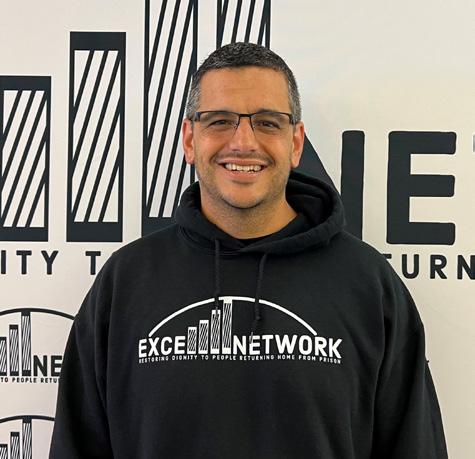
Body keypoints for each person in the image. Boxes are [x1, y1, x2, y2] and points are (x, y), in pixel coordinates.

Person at [50, 42, 448, 458]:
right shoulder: (126, 283)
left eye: (267, 122)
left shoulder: (367, 284)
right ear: (190, 139)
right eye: (220, 121)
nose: (243, 142)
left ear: (296, 143)